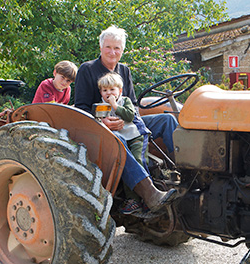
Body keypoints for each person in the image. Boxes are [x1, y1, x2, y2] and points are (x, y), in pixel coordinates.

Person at [75, 25, 178, 213]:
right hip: (100, 129)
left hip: (126, 122)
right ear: (101, 47)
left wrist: (130, 120)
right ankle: (150, 194)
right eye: (108, 47)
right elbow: (80, 108)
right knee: (119, 141)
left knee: (167, 120)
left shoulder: (124, 70)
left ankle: (183, 172)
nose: (112, 52)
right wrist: (102, 123)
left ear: (122, 50)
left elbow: (134, 104)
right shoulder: (87, 69)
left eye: (117, 48)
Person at [98, 72, 151, 214]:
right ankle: (133, 200)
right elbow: (96, 123)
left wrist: (115, 106)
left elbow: (129, 115)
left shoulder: (125, 101)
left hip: (134, 137)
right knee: (125, 164)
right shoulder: (100, 107)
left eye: (112, 90)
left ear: (119, 91)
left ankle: (148, 197)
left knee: (138, 160)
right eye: (105, 90)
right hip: (118, 140)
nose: (109, 93)